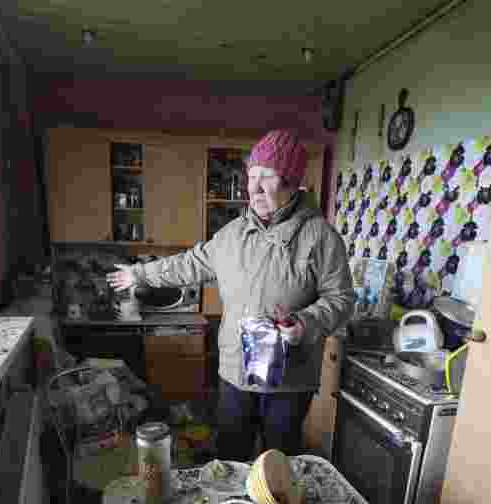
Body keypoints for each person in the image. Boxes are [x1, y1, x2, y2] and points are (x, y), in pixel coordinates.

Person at [107, 129, 354, 460]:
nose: (254, 188)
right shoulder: (233, 234)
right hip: (235, 372)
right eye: (252, 176)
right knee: (230, 456)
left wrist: (305, 324)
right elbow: (190, 263)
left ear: (293, 183)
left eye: (267, 177)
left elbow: (341, 299)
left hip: (289, 381)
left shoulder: (321, 238)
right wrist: (140, 273)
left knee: (277, 461)